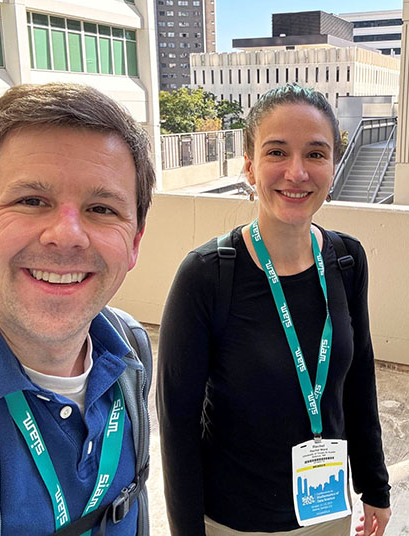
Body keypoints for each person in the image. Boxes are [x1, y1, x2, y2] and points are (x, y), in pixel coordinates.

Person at [0, 83, 155, 535]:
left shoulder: (131, 351)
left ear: (134, 243)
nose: (67, 235)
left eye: (101, 208)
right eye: (32, 201)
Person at [157, 84, 391, 536]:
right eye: (277, 152)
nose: (297, 172)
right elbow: (177, 425)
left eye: (316, 154)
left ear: (334, 164)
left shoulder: (346, 260)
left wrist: (374, 486)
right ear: (249, 166)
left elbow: (359, 375)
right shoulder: (206, 276)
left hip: (326, 508)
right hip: (234, 520)